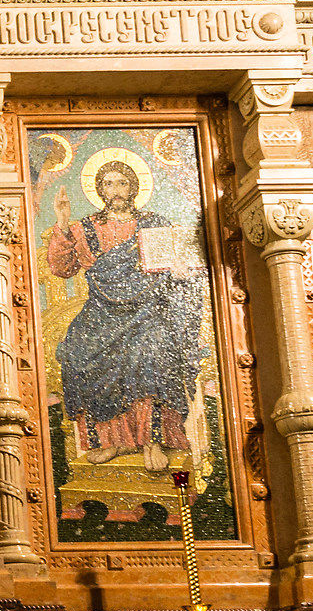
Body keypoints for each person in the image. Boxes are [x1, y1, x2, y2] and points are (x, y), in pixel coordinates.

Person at [44, 159, 204, 470]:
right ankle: (111, 441)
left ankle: (152, 441)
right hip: (103, 310)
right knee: (79, 348)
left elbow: (174, 264)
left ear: (133, 187)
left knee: (151, 351)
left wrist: (179, 268)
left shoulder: (154, 223)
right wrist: (62, 223)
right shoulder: (85, 228)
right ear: (99, 189)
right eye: (109, 184)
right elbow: (61, 268)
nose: (115, 190)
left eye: (122, 183)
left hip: (148, 309)